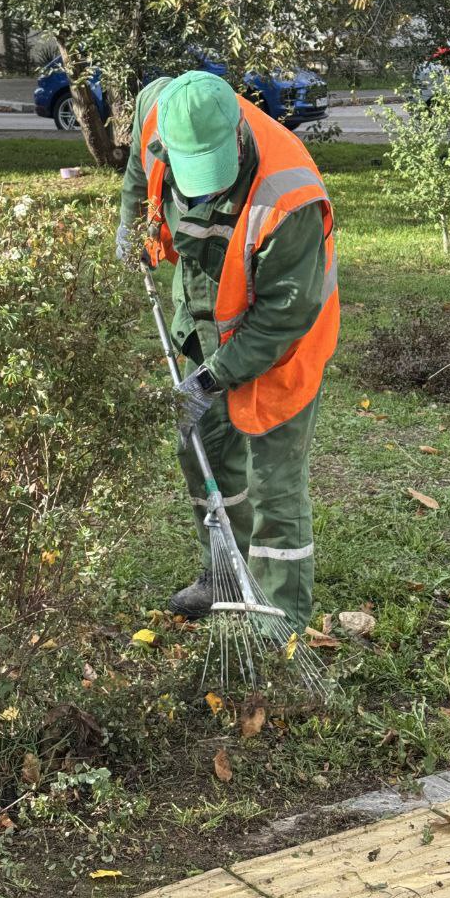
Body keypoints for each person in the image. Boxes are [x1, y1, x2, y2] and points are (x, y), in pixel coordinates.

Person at [117, 70, 339, 625]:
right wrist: (132, 226)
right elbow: (136, 172)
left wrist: (214, 377)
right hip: (201, 317)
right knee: (202, 451)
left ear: (238, 132)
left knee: (271, 481)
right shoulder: (158, 110)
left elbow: (280, 319)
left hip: (281, 343)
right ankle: (223, 571)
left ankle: (277, 620)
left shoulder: (289, 197)